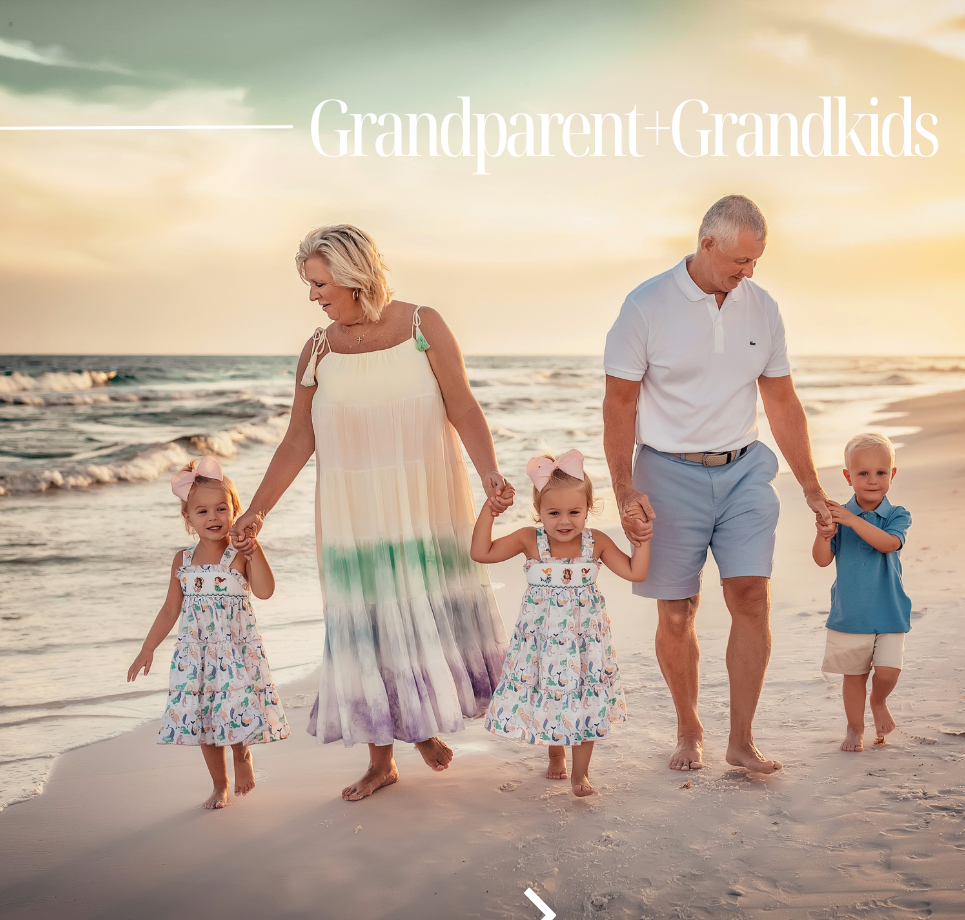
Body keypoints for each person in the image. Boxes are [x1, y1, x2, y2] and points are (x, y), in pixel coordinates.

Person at [231, 225, 512, 802]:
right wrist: (257, 511)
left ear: (352, 275)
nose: (312, 296)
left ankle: (423, 725)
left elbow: (462, 405)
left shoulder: (422, 325)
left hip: (424, 502)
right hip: (352, 512)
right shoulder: (318, 349)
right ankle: (382, 761)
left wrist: (489, 473)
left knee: (423, 612)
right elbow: (297, 439)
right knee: (369, 627)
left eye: (319, 283)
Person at [603, 194, 831, 775]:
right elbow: (619, 404)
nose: (748, 272)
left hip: (745, 468)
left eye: (756, 261)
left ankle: (741, 740)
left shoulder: (762, 308)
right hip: (666, 471)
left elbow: (781, 401)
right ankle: (689, 728)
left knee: (751, 595)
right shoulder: (645, 306)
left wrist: (810, 486)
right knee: (678, 612)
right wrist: (624, 489)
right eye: (740, 261)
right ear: (707, 244)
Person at [471, 450, 649, 797]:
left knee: (582, 698)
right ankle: (555, 753)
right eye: (553, 513)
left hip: (584, 642)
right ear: (538, 511)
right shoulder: (529, 539)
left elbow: (636, 572)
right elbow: (481, 552)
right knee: (550, 692)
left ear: (588, 508)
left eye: (574, 512)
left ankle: (580, 774)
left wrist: (643, 538)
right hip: (542, 640)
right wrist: (490, 510)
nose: (564, 521)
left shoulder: (596, 542)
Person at [127, 456, 289, 809]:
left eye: (221, 508)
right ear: (188, 518)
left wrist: (256, 550)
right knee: (202, 718)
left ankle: (242, 754)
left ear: (235, 511)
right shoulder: (182, 561)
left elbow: (265, 591)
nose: (213, 517)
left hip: (234, 652)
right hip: (196, 655)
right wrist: (147, 648)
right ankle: (220, 784)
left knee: (233, 707)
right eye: (202, 511)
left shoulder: (239, 555)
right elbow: (170, 610)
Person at [813, 433, 912, 752]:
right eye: (863, 473)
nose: (872, 480)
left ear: (892, 474)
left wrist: (853, 521)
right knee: (853, 676)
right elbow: (822, 560)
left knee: (888, 671)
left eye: (881, 472)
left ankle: (878, 701)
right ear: (848, 476)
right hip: (851, 613)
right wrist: (824, 533)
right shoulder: (838, 516)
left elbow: (888, 544)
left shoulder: (897, 515)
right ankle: (854, 728)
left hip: (890, 610)